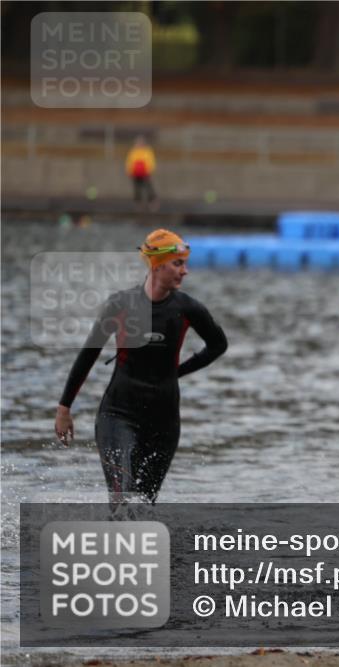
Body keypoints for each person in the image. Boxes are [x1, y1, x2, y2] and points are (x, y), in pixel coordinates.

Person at [55, 229, 227, 505]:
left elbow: (219, 345)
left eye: (184, 264)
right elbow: (89, 353)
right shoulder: (120, 305)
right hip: (118, 414)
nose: (185, 271)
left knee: (144, 505)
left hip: (164, 422)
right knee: (122, 495)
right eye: (177, 263)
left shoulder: (188, 309)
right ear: (157, 265)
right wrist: (64, 408)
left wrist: (178, 372)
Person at [126, 136, 158, 211]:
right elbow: (129, 162)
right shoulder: (133, 152)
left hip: (145, 173)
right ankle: (138, 204)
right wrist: (129, 171)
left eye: (140, 142)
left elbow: (151, 162)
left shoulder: (147, 151)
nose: (139, 144)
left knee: (148, 188)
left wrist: (150, 170)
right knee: (137, 189)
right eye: (138, 142)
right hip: (135, 173)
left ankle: (152, 202)